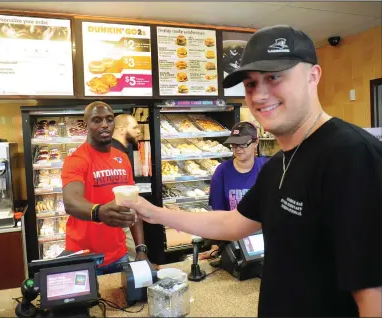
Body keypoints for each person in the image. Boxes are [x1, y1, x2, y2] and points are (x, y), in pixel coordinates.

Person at [124, 25, 382, 317]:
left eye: (274, 77)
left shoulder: (351, 155)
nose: (259, 95)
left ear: (313, 77)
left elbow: (373, 294)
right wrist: (153, 213)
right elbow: (233, 223)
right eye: (250, 84)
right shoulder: (277, 165)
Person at [61, 101, 148, 275]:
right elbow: (71, 202)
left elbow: (133, 205)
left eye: (109, 119)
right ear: (86, 124)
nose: (104, 125)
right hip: (84, 258)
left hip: (119, 256)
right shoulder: (77, 160)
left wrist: (140, 249)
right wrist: (99, 212)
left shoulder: (122, 158)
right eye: (97, 120)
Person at [200, 121, 268, 259]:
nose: (238, 149)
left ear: (256, 142)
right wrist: (216, 248)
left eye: (243, 144)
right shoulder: (222, 172)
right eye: (234, 144)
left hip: (263, 240)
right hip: (233, 244)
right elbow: (218, 215)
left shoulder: (267, 168)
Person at [112, 114, 142, 261]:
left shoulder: (123, 151)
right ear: (122, 129)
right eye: (135, 127)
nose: (139, 131)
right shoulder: (115, 153)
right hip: (120, 217)